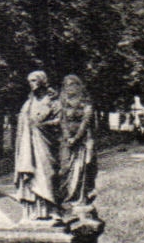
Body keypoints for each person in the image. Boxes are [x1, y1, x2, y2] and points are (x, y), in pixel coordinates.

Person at [13, 70, 60, 220]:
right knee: (31, 175)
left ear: (42, 81)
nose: (31, 84)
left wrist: (43, 125)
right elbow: (22, 123)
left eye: (34, 80)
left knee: (47, 174)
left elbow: (60, 121)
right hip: (28, 145)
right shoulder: (28, 103)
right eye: (29, 81)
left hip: (46, 144)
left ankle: (51, 209)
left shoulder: (53, 102)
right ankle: (33, 210)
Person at [58, 74, 100, 230]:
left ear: (78, 86)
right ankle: (68, 199)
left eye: (72, 85)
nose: (69, 88)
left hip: (82, 143)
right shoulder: (63, 103)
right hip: (68, 143)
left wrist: (75, 138)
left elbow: (85, 122)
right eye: (67, 85)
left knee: (81, 170)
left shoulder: (85, 103)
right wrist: (68, 137)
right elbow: (62, 121)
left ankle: (80, 199)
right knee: (65, 171)